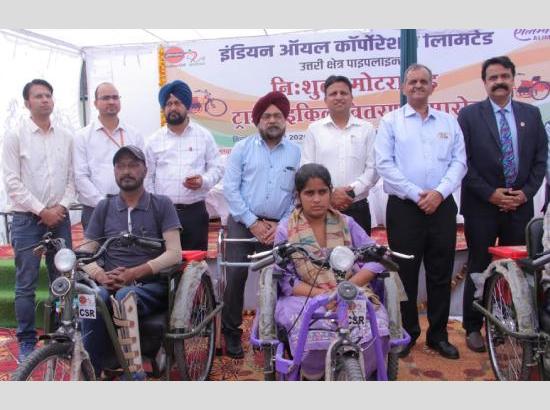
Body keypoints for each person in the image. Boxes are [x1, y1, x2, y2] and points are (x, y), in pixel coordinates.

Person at [375, 64, 467, 360]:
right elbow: (384, 164)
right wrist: (417, 195)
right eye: (412, 81)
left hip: (442, 206)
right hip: (405, 208)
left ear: (432, 86)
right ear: (403, 87)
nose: (417, 86)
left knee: (440, 273)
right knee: (405, 275)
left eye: (423, 81)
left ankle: (438, 336)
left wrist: (439, 193)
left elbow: (459, 162)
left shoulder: (449, 122)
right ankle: (407, 333)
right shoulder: (390, 122)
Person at [458, 56, 547, 352]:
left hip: (519, 206)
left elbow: (540, 159)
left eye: (504, 76)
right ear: (484, 82)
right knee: (479, 265)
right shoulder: (469, 116)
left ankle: (504, 323)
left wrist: (525, 193)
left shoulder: (531, 114)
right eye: (493, 77)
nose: (499, 82)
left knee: (516, 270)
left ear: (513, 79)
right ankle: (473, 326)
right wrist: (490, 194)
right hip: (481, 206)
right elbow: (463, 162)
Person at [274, 163, 389, 380]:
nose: (317, 199)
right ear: (298, 196)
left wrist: (346, 289)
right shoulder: (285, 229)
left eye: (322, 192)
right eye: (309, 193)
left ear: (330, 192)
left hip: (350, 291)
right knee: (307, 325)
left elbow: (376, 260)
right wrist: (325, 295)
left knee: (378, 326)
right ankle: (314, 374)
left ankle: (357, 372)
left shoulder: (347, 223)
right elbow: (286, 281)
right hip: (305, 296)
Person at [80, 145, 182, 379]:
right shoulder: (104, 207)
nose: (126, 171)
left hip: (150, 285)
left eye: (133, 165)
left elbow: (174, 253)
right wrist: (100, 275)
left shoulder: (161, 204)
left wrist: (134, 274)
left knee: (125, 295)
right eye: (121, 166)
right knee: (93, 298)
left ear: (145, 170)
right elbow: (85, 253)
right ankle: (92, 371)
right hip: (109, 282)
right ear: (114, 171)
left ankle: (134, 374)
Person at [222, 91, 301, 358]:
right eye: (266, 116)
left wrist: (281, 225)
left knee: (280, 278)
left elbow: (297, 195)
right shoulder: (242, 149)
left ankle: (279, 331)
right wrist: (253, 222)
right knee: (235, 277)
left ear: (285, 120)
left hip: (279, 226)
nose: (272, 120)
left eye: (277, 115)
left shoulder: (296, 152)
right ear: (257, 121)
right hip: (243, 222)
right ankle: (232, 332)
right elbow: (230, 189)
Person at [2, 79, 76, 363]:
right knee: (26, 283)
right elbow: (12, 183)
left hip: (60, 218)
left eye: (48, 95)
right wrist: (41, 210)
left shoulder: (66, 137)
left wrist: (61, 207)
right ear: (27, 103)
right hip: (27, 220)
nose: (45, 99)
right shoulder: (15, 136)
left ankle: (61, 334)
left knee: (63, 279)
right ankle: (26, 341)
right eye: (38, 96)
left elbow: (72, 179)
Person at [145, 80, 223, 251]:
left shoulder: (204, 136)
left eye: (178, 103)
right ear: (163, 108)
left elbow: (217, 168)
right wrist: (154, 208)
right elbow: (147, 177)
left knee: (195, 263)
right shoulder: (153, 140)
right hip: (163, 214)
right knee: (165, 262)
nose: (173, 107)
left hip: (195, 213)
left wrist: (203, 181)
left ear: (187, 106)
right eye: (168, 104)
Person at [301, 75, 378, 235]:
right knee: (324, 251)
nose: (339, 97)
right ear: (325, 100)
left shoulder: (366, 129)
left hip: (358, 207)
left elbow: (373, 169)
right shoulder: (314, 130)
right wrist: (331, 193)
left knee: (360, 251)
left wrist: (350, 193)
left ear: (351, 98)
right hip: (322, 208)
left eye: (343, 93)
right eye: (333, 93)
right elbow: (307, 169)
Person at [73, 82, 144, 230]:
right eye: (105, 98)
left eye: (115, 97)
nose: (111, 101)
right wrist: (104, 204)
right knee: (96, 246)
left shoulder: (134, 134)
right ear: (95, 103)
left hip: (131, 206)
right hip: (95, 209)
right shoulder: (82, 137)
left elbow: (142, 170)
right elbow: (80, 176)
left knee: (134, 245)